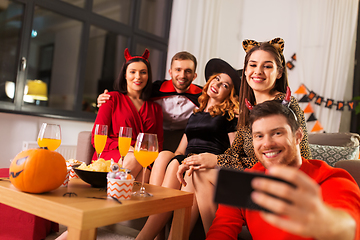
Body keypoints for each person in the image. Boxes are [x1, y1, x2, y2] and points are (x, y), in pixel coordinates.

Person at [177, 38, 312, 234]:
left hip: (281, 186)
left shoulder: (285, 105)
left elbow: (300, 157)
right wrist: (199, 160)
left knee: (201, 173)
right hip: (254, 181)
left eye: (267, 66)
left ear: (279, 72)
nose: (258, 71)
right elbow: (235, 154)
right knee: (195, 170)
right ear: (246, 70)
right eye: (253, 65)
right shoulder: (249, 109)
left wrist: (214, 159)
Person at [206, 100, 360, 240]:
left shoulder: (332, 179)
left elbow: (349, 227)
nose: (267, 144)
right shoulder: (246, 180)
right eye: (259, 136)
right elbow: (222, 229)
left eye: (277, 133)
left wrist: (330, 226)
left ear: (298, 136)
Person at [135, 58, 241, 240]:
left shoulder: (230, 116)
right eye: (216, 79)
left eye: (225, 85)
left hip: (206, 162)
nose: (217, 84)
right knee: (164, 157)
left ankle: (145, 237)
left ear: (229, 94)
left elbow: (234, 153)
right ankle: (158, 234)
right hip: (187, 158)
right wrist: (174, 160)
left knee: (182, 166)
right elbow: (180, 150)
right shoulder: (196, 113)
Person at [97, 51, 202, 152]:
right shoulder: (154, 89)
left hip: (182, 139)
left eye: (188, 71)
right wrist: (104, 99)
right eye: (178, 70)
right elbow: (132, 92)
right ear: (170, 72)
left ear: (194, 76)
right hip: (151, 138)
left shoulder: (203, 97)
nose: (182, 75)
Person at [91, 48, 163, 181]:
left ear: (148, 76)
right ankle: (110, 191)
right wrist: (125, 147)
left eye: (143, 72)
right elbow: (96, 136)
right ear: (125, 75)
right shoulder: (111, 99)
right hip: (111, 152)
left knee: (146, 173)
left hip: (143, 157)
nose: (138, 77)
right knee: (136, 161)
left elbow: (159, 144)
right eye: (132, 72)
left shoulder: (156, 108)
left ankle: (112, 195)